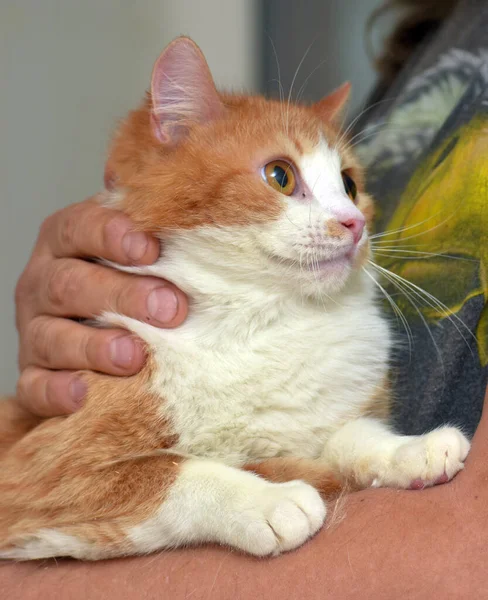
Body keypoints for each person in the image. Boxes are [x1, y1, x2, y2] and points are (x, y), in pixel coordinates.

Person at [4, 0, 488, 597]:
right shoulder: (424, 47)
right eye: (283, 177)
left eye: (348, 185)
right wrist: (215, 498)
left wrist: (363, 456)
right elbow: (36, 499)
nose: (347, 218)